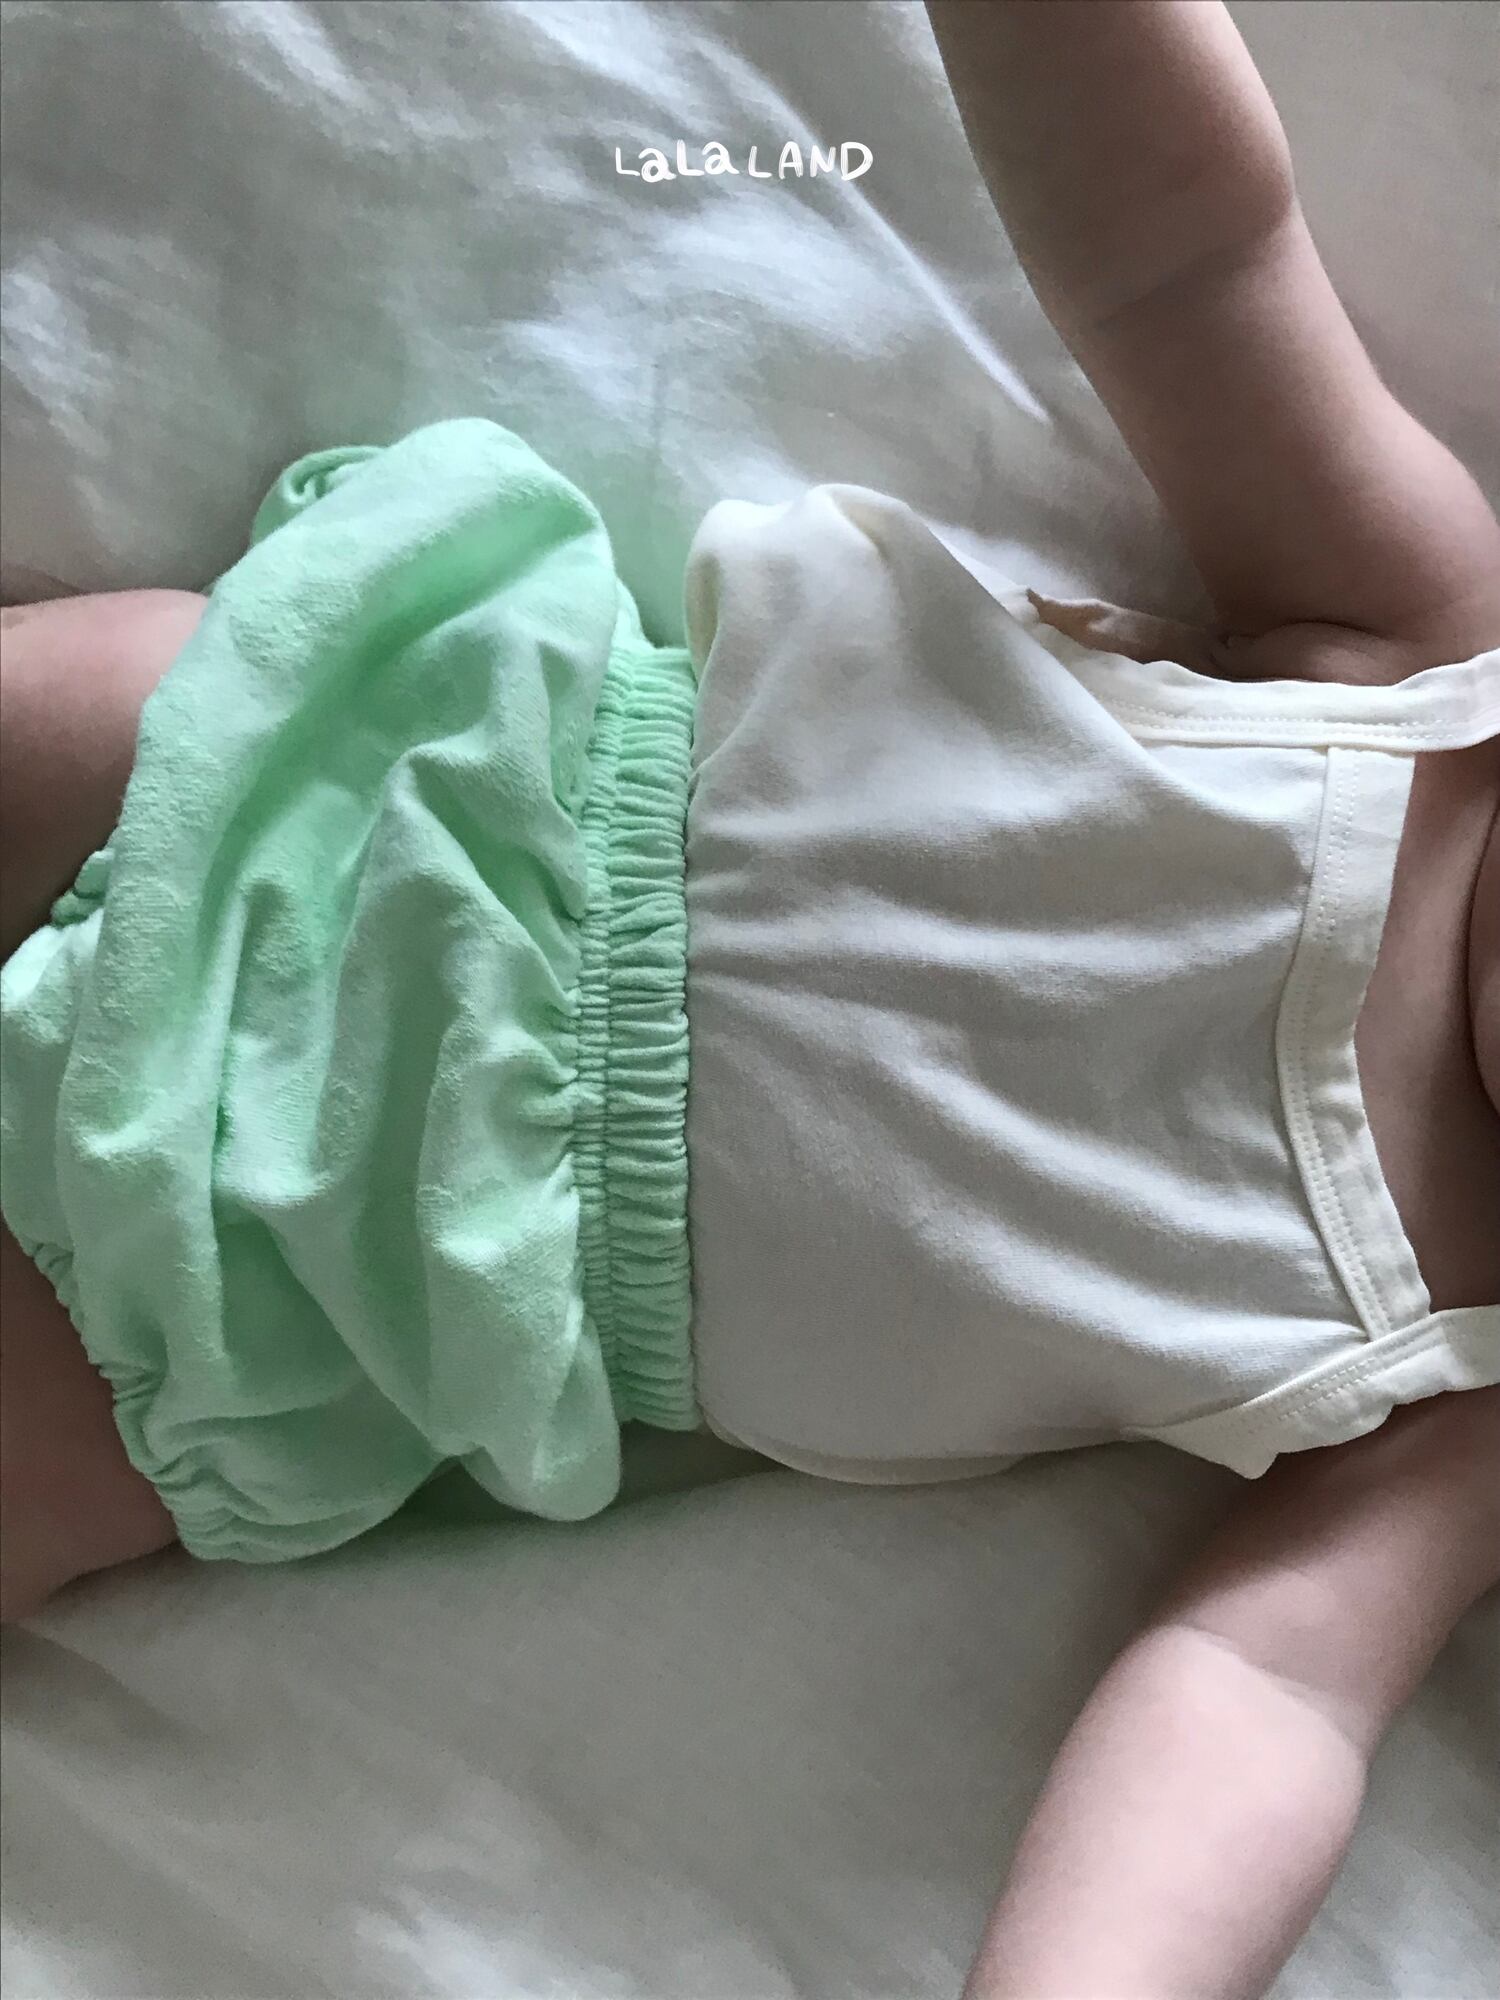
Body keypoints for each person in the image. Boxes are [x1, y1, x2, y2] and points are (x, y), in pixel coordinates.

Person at [1, 3, 1495, 1993]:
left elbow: (1264, 1692)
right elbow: (1190, 261)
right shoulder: (1425, 648)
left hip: (344, 1291)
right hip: (374, 791)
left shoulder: (1458, 1389)